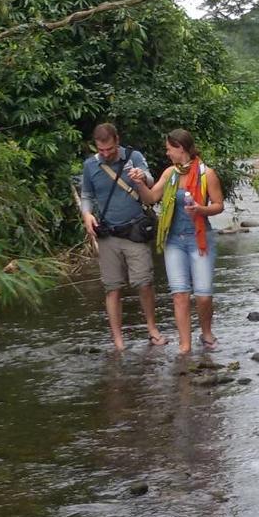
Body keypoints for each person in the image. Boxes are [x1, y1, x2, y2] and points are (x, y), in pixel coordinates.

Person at [129, 129, 224, 354]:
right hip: (174, 240)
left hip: (200, 239)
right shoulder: (170, 174)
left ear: (181, 148)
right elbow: (151, 198)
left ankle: (206, 332)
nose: (167, 152)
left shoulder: (206, 174)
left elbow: (219, 205)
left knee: (203, 296)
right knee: (180, 294)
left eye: (169, 148)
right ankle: (185, 345)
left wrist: (200, 209)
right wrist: (139, 183)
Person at [81, 123, 167, 351]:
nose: (106, 154)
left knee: (145, 282)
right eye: (102, 150)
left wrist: (141, 177)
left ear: (117, 141)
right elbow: (87, 195)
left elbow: (150, 180)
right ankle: (118, 341)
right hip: (108, 233)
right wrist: (87, 214)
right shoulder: (90, 165)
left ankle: (152, 329)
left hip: (135, 230)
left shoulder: (134, 157)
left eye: (110, 149)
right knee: (112, 287)